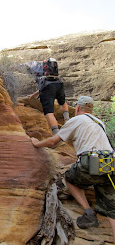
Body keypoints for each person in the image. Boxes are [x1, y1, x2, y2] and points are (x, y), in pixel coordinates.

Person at [31, 96, 115, 243]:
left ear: (77, 108)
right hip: (110, 164)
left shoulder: (76, 120)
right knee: (112, 211)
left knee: (69, 178)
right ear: (91, 109)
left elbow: (53, 141)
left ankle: (89, 214)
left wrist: (37, 143)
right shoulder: (99, 122)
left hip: (92, 161)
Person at [28, 58, 69, 136]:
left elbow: (43, 87)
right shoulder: (55, 76)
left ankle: (56, 135)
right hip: (58, 84)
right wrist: (33, 95)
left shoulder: (38, 73)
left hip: (47, 88)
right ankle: (67, 120)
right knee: (62, 101)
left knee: (49, 113)